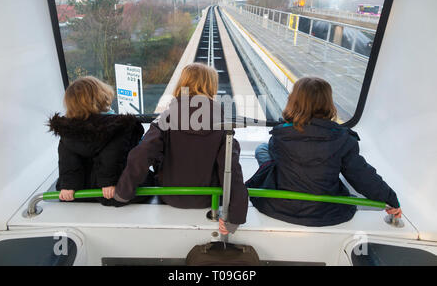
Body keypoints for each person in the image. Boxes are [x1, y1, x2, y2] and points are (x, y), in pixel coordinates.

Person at [112, 63, 249, 234]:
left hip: (170, 196)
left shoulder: (166, 119)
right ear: (211, 86)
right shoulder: (223, 125)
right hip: (208, 199)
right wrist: (235, 218)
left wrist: (123, 193)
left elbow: (142, 153)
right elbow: (231, 169)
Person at [246, 77, 402, 227]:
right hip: (325, 211)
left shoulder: (280, 136)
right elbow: (362, 176)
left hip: (280, 207)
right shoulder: (344, 139)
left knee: (263, 149)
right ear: (328, 104)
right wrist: (390, 198)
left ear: (293, 101)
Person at [48, 76, 152, 206]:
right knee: (150, 179)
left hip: (83, 192)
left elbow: (67, 160)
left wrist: (68, 186)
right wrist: (109, 183)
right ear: (102, 97)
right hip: (115, 190)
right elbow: (113, 155)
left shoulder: (67, 132)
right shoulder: (119, 126)